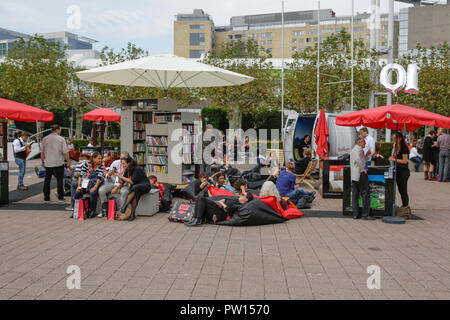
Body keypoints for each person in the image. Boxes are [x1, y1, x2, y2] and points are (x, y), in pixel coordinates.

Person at [185, 192, 253, 227]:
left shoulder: (239, 205)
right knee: (199, 197)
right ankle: (195, 218)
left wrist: (222, 204)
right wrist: (220, 202)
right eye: (242, 194)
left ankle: (198, 220)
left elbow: (228, 210)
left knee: (202, 199)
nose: (241, 195)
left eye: (243, 195)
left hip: (221, 214)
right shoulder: (235, 199)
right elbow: (224, 199)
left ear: (246, 199)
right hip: (218, 208)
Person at [115, 156, 151, 221]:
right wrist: (118, 178)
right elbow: (123, 181)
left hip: (145, 186)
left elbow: (131, 181)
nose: (122, 165)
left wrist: (121, 177)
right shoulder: (127, 170)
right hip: (136, 188)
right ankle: (132, 214)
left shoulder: (137, 168)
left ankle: (125, 206)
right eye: (122, 164)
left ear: (128, 163)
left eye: (123, 163)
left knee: (135, 187)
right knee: (135, 192)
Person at [41, 125, 70, 202]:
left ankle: (46, 197)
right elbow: (65, 152)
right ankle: (60, 197)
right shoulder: (61, 139)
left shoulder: (45, 139)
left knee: (47, 180)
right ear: (57, 130)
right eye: (60, 129)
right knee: (59, 180)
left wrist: (42, 161)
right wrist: (68, 161)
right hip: (58, 162)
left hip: (48, 162)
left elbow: (42, 152)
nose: (60, 131)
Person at [98, 152, 131, 217]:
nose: (121, 161)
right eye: (120, 158)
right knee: (101, 190)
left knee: (124, 192)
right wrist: (109, 175)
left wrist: (117, 186)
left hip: (124, 185)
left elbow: (128, 180)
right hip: (113, 183)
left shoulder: (129, 165)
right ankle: (104, 210)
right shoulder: (115, 163)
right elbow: (107, 176)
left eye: (123, 159)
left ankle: (120, 212)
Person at [73, 151, 104, 217]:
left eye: (101, 158)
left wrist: (95, 187)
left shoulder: (101, 166)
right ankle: (76, 210)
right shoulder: (86, 164)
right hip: (85, 182)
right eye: (99, 158)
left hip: (95, 183)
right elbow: (81, 175)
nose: (100, 160)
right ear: (93, 158)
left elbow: (99, 178)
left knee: (93, 193)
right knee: (78, 192)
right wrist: (79, 186)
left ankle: (92, 211)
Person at [350, 136, 374, 220]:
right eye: (364, 142)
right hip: (360, 174)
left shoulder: (353, 149)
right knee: (365, 194)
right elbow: (358, 159)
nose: (365, 143)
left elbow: (361, 159)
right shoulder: (359, 149)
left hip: (354, 175)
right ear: (359, 142)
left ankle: (355, 214)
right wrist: (363, 169)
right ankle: (365, 214)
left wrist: (366, 155)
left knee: (355, 195)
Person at [389, 132, 411, 215]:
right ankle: (404, 206)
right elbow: (394, 156)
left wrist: (394, 160)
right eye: (393, 138)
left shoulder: (404, 148)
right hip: (397, 170)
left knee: (403, 189)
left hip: (403, 171)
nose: (394, 139)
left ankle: (405, 206)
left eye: (395, 138)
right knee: (400, 189)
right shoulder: (396, 146)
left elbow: (405, 161)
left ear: (400, 138)